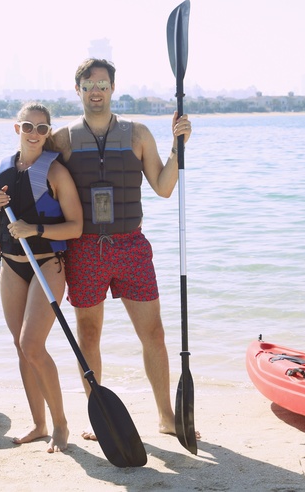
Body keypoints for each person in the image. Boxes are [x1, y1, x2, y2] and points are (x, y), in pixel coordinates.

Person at [48, 58, 194, 440]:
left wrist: (179, 148)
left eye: (102, 84)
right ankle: (101, 416)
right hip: (84, 249)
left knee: (155, 334)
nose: (95, 91)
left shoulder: (138, 134)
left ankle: (166, 416)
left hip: (131, 246)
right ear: (77, 89)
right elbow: (36, 180)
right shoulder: (62, 139)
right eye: (88, 85)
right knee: (89, 335)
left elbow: (163, 187)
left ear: (113, 88)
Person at [0, 102, 83, 453]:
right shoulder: (3, 169)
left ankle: (61, 425)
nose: (35, 134)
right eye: (28, 126)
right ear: (17, 129)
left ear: (48, 132)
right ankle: (39, 424)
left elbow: (76, 226)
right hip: (11, 265)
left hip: (46, 264)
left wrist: (35, 228)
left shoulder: (55, 173)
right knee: (20, 347)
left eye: (42, 129)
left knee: (32, 346)